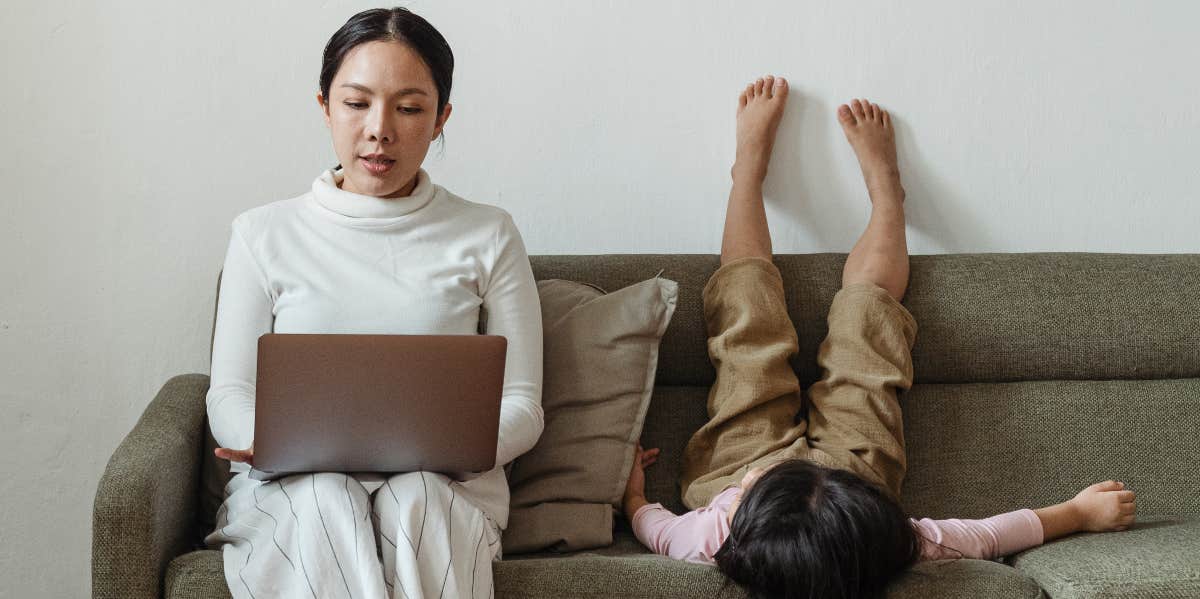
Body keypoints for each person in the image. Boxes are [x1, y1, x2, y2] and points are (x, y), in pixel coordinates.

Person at [621, 76, 1137, 599]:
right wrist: (1076, 513)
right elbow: (985, 535)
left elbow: (655, 529)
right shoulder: (885, 539)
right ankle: (888, 194)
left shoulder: (713, 535)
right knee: (869, 336)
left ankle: (746, 174)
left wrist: (634, 495)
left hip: (731, 470)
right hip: (853, 474)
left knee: (745, 331)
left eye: (756, 490)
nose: (775, 471)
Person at [204, 8, 543, 599]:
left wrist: (458, 447)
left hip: (444, 487)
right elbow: (229, 392)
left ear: (441, 119)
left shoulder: (488, 234)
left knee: (418, 498)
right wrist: (265, 439)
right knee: (325, 496)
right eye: (357, 103)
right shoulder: (262, 234)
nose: (379, 129)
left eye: (409, 109)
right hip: (294, 489)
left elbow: (523, 403)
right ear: (325, 107)